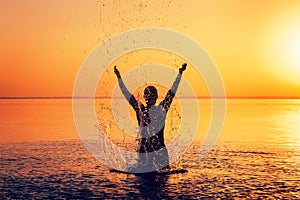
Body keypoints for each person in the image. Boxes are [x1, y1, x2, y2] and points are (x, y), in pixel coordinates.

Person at [114, 63, 187, 171]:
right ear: (144, 97)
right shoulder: (142, 110)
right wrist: (119, 78)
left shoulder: (160, 109)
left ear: (156, 97)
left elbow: (171, 93)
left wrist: (180, 74)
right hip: (146, 152)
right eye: (148, 95)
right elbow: (128, 95)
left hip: (158, 151)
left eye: (151, 95)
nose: (149, 98)